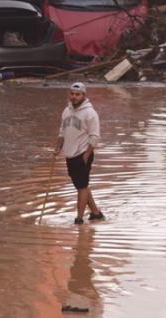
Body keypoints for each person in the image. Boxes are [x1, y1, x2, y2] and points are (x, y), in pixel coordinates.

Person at [53, 82, 104, 225]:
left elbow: (95, 137)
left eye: (77, 94)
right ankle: (96, 213)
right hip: (69, 154)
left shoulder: (90, 113)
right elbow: (62, 132)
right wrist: (58, 148)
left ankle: (79, 219)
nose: (74, 97)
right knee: (81, 186)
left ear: (83, 95)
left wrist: (87, 155)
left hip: (82, 154)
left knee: (81, 187)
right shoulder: (66, 111)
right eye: (72, 94)